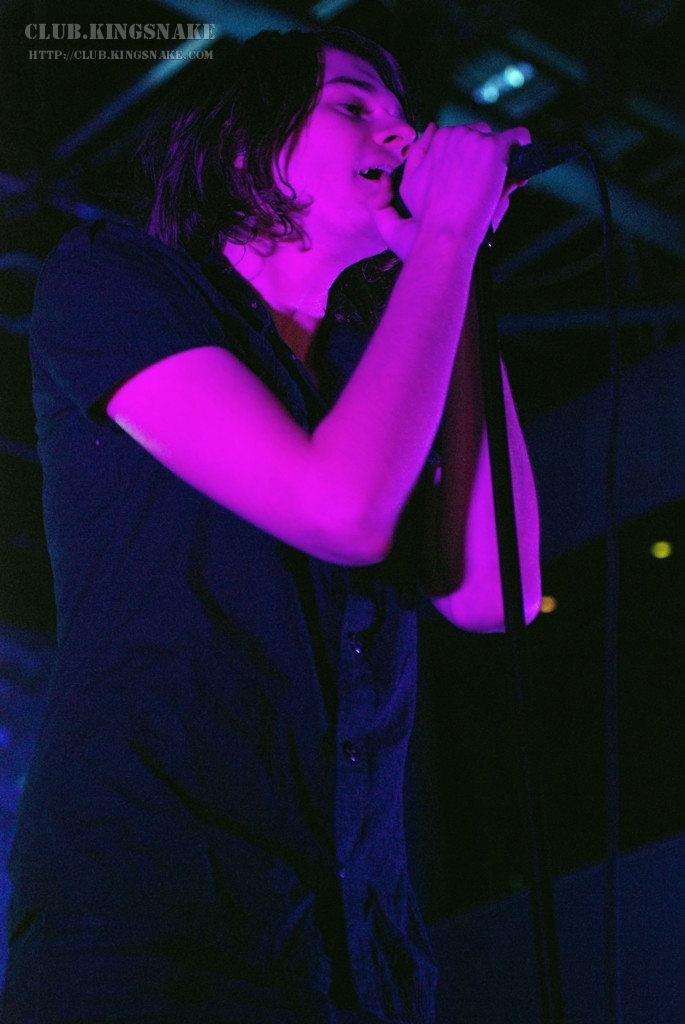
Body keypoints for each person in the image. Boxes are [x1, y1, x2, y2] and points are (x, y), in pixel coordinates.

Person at [2, 26, 541, 1024]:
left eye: (399, 113)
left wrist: (454, 266)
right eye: (353, 105)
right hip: (154, 934)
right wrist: (443, 239)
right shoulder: (116, 282)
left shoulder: (370, 369)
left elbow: (491, 590)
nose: (400, 132)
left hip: (354, 954)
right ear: (245, 144)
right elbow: (337, 508)